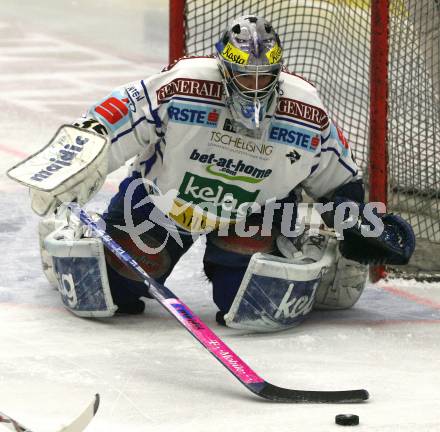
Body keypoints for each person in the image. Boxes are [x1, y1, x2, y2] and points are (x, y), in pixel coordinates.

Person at [11, 15, 415, 330]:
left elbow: (340, 179)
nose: (254, 87)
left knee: (256, 304)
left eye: (264, 77)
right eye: (243, 76)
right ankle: (65, 239)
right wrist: (76, 163)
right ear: (224, 70)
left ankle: (319, 259)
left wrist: (351, 219)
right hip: (164, 201)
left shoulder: (305, 108)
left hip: (256, 210)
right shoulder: (183, 83)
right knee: (106, 292)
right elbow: (113, 118)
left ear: (278, 72)